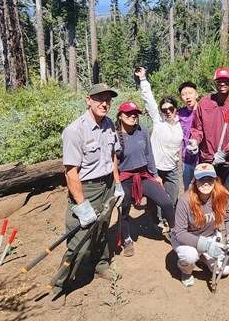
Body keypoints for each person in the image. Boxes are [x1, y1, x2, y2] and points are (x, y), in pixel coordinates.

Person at [50, 83, 124, 309]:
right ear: (88, 100)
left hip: (107, 185)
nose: (104, 103)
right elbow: (70, 172)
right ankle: (59, 286)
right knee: (79, 241)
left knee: (102, 228)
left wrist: (117, 184)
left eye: (108, 99)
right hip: (86, 189)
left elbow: (112, 155)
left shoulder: (110, 124)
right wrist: (81, 204)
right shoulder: (76, 130)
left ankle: (101, 264)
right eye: (99, 98)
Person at [114, 99, 176, 257]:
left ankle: (176, 233)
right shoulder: (114, 135)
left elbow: (149, 154)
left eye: (135, 113)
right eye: (128, 113)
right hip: (125, 177)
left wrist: (155, 175)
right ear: (120, 115)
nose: (133, 116)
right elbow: (112, 162)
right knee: (124, 209)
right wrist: (116, 184)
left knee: (166, 202)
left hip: (143, 175)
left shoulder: (142, 130)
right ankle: (127, 239)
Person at [171, 163, 229, 287]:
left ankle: (202, 257)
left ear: (215, 180)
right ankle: (186, 271)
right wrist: (206, 245)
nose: (206, 183)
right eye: (201, 179)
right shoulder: (185, 201)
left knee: (224, 270)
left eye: (210, 179)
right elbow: (180, 233)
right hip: (186, 238)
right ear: (195, 181)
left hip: (210, 235)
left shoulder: (223, 195)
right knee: (189, 256)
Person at [187, 68, 229, 195]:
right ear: (215, 83)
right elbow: (197, 128)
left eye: (226, 81)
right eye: (219, 81)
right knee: (206, 192)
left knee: (225, 194)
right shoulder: (205, 102)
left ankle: (224, 215)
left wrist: (226, 152)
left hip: (228, 160)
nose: (222, 83)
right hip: (208, 157)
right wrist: (194, 141)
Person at [135, 67, 182, 226]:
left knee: (173, 196)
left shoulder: (181, 125)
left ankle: (171, 220)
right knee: (158, 198)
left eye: (170, 108)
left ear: (175, 108)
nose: (167, 112)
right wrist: (143, 79)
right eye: (164, 110)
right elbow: (149, 100)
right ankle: (160, 222)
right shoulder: (158, 121)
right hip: (156, 167)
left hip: (172, 168)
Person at [176, 81, 200, 189]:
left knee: (203, 189)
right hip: (187, 159)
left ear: (196, 94)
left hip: (203, 159)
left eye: (190, 93)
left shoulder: (204, 111)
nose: (188, 97)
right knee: (188, 189)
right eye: (184, 94)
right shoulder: (180, 113)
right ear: (181, 98)